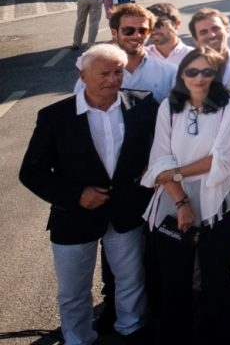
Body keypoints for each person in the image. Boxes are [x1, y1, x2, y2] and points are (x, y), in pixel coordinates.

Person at [20, 44, 158, 345]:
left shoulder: (143, 105)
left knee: (131, 280)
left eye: (118, 72)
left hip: (125, 212)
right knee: (73, 290)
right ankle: (77, 338)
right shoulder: (55, 116)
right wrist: (76, 195)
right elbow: (31, 172)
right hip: (74, 216)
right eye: (104, 73)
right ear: (82, 75)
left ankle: (131, 329)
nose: (112, 79)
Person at [141, 48, 230, 345]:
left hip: (217, 199)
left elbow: (222, 160)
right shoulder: (168, 108)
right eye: (192, 72)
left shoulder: (229, 106)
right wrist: (181, 201)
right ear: (182, 74)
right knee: (174, 279)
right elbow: (159, 158)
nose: (199, 78)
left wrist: (174, 173)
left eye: (207, 72)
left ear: (216, 75)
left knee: (215, 277)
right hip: (173, 201)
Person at [109, 3, 176, 102]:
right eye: (128, 30)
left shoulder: (169, 73)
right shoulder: (96, 73)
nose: (137, 36)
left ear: (149, 33)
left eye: (143, 31)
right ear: (114, 33)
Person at [189, 7, 230, 87]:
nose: (212, 35)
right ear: (195, 40)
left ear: (228, 30)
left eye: (216, 29)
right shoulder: (189, 71)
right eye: (203, 32)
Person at [147, 3, 192, 67]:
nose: (153, 29)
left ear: (176, 24)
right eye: (149, 24)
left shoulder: (193, 57)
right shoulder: (140, 57)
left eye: (158, 24)